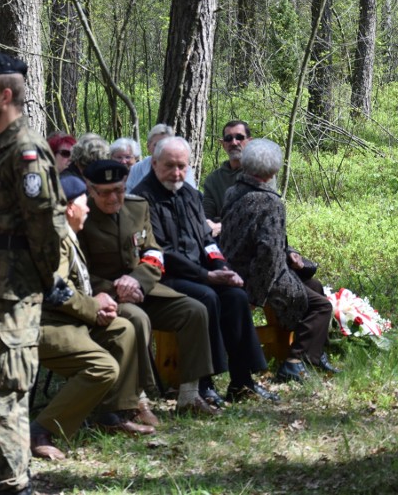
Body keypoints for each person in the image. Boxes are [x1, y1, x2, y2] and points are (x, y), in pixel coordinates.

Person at [0, 53, 68, 495]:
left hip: (11, 290)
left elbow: (45, 225)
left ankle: (9, 487)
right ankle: (3, 480)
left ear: (6, 95)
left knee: (4, 392)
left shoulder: (25, 150)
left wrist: (47, 280)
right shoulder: (1, 145)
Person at [132, 137, 278, 403]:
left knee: (236, 296)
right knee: (207, 297)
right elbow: (160, 251)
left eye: (182, 167)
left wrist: (223, 267)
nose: (176, 173)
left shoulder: (190, 195)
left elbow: (207, 240)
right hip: (163, 279)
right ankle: (203, 384)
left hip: (201, 274)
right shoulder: (143, 198)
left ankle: (242, 381)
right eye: (170, 166)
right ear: (154, 164)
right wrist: (206, 276)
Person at [78, 159, 218, 416]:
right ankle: (138, 400)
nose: (113, 198)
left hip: (145, 289)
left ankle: (189, 394)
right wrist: (115, 287)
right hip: (105, 297)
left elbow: (154, 253)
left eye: (119, 190)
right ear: (91, 189)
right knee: (137, 320)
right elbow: (79, 269)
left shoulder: (137, 206)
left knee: (195, 310)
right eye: (105, 193)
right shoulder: (80, 215)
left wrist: (137, 280)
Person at [30, 174, 154, 462]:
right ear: (70, 207)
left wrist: (97, 306)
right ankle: (40, 431)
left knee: (123, 328)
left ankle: (111, 414)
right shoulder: (55, 237)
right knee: (103, 367)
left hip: (64, 319)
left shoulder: (63, 233)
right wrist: (93, 307)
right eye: (85, 202)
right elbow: (55, 290)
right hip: (44, 324)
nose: (88, 209)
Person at [219, 139, 340, 383]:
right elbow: (268, 255)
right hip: (256, 276)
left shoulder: (233, 191)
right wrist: (256, 296)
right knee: (321, 306)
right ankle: (295, 363)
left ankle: (313, 354)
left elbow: (261, 242)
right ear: (274, 171)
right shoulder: (271, 202)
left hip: (234, 267)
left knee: (314, 286)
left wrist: (291, 257)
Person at [125, 124, 195, 192]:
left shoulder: (184, 170)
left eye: (165, 145)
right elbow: (128, 195)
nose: (160, 148)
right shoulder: (137, 169)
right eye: (156, 144)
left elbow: (191, 194)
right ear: (148, 146)